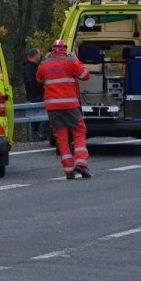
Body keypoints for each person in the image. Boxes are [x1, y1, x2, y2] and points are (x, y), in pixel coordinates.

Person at [36, 40, 92, 179]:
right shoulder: (70, 62)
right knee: (79, 132)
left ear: (53, 50)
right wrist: (76, 60)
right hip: (70, 105)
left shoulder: (44, 65)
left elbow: (39, 79)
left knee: (61, 137)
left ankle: (68, 170)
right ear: (65, 49)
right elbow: (85, 75)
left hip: (52, 108)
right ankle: (80, 163)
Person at [22, 48, 48, 140]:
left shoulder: (33, 67)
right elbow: (29, 82)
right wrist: (36, 93)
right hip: (34, 97)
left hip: (37, 96)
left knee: (38, 119)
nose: (40, 56)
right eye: (39, 54)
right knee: (34, 120)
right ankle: (33, 135)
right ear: (35, 55)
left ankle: (36, 135)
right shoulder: (29, 67)